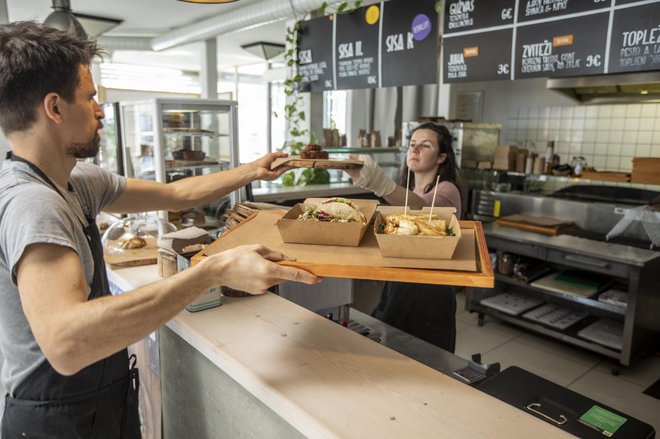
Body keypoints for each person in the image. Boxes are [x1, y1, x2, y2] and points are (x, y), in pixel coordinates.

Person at [0, 22, 321, 438]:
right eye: (91, 97)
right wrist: (211, 271)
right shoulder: (34, 202)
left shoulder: (76, 180)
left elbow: (177, 192)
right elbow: (67, 343)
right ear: (55, 108)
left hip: (98, 401)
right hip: (55, 419)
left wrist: (251, 170)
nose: (100, 110)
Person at [346, 122, 463, 352]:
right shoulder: (407, 190)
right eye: (412, 144)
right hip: (400, 284)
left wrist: (379, 183)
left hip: (430, 290)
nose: (415, 149)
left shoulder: (447, 190)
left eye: (425, 145)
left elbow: (423, 211)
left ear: (442, 157)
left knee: (425, 359)